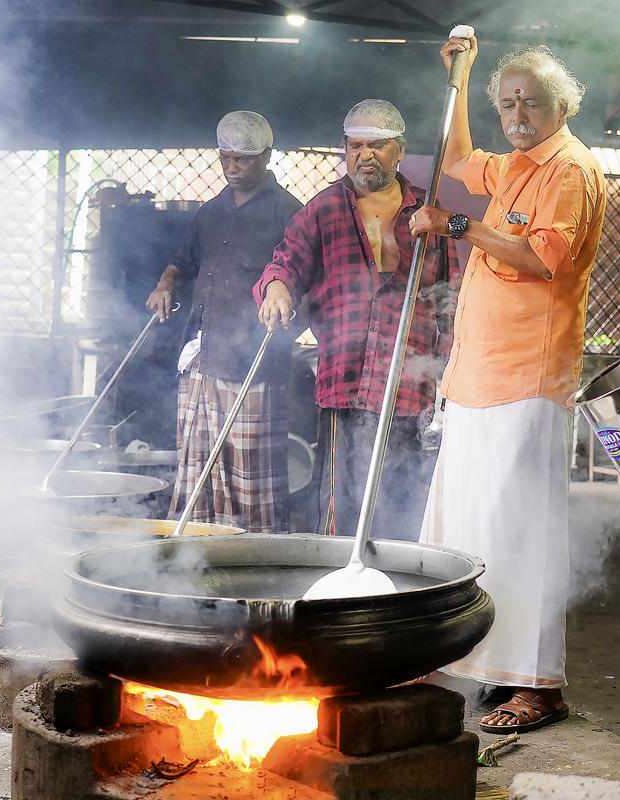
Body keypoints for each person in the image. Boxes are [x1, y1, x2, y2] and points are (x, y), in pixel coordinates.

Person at [409, 35, 607, 734]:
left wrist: (459, 224)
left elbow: (540, 258)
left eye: (531, 99)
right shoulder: (517, 165)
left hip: (529, 378)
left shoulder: (569, 170)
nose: (518, 111)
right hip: (477, 377)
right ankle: (456, 657)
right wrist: (460, 81)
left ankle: (536, 684)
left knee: (523, 532)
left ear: (563, 104)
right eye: (507, 101)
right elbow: (460, 160)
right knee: (464, 522)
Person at [255, 100, 460, 541]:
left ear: (399, 150)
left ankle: (396, 593)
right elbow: (285, 261)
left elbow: (451, 296)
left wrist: (450, 370)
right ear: (344, 149)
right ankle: (338, 591)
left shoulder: (427, 213)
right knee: (339, 501)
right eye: (355, 146)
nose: (365, 156)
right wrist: (276, 286)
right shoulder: (323, 209)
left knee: (401, 497)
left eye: (378, 146)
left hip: (410, 383)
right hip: (343, 380)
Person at [145, 110, 303, 533]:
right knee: (195, 461)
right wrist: (166, 282)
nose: (232, 168)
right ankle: (195, 550)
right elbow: (182, 262)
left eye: (243, 159)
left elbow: (305, 280)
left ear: (267, 156)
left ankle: (254, 551)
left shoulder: (288, 213)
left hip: (254, 365)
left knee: (248, 470)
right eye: (226, 158)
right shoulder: (209, 213)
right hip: (204, 354)